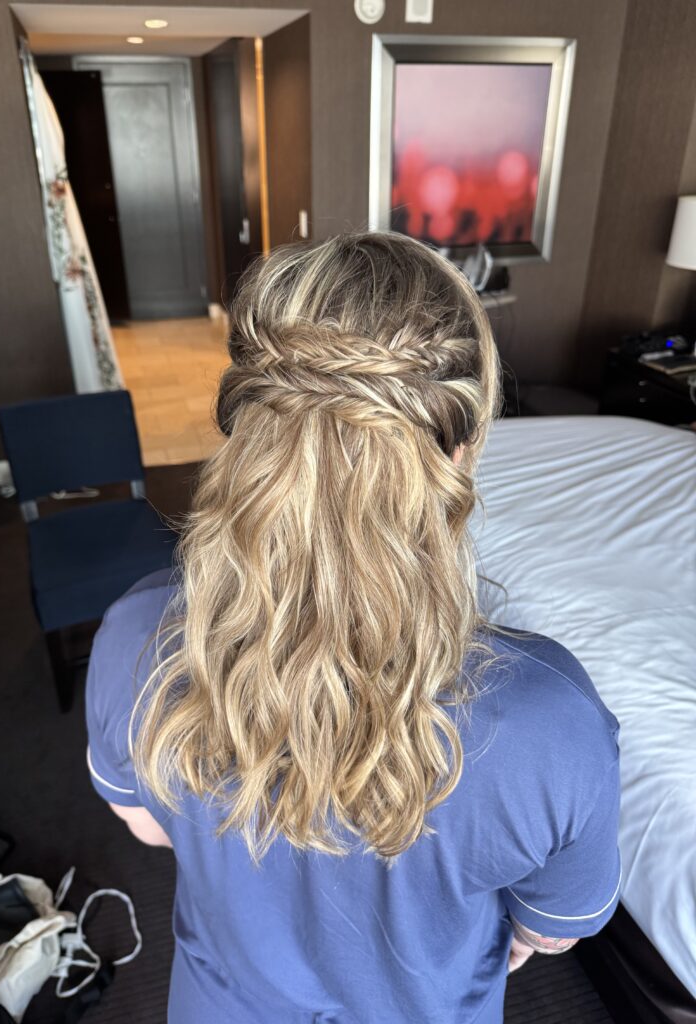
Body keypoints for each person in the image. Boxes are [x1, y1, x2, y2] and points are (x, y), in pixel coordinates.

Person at [85, 232, 621, 1024]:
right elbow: (550, 928)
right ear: (462, 450)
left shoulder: (139, 636)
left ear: (247, 429)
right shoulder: (553, 719)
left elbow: (148, 826)